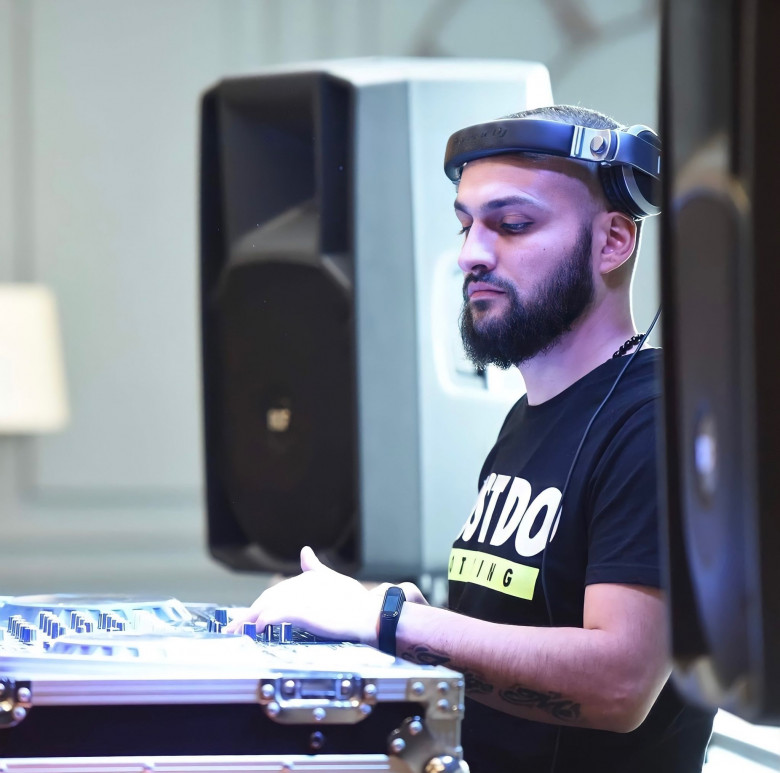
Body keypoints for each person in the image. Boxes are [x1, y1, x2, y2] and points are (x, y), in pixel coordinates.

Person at [228, 104, 715, 772]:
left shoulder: (655, 420)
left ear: (612, 241)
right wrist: (399, 615)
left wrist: (389, 620)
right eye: (466, 225)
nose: (471, 255)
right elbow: (514, 638)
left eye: (511, 225)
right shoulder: (527, 420)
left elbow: (620, 683)